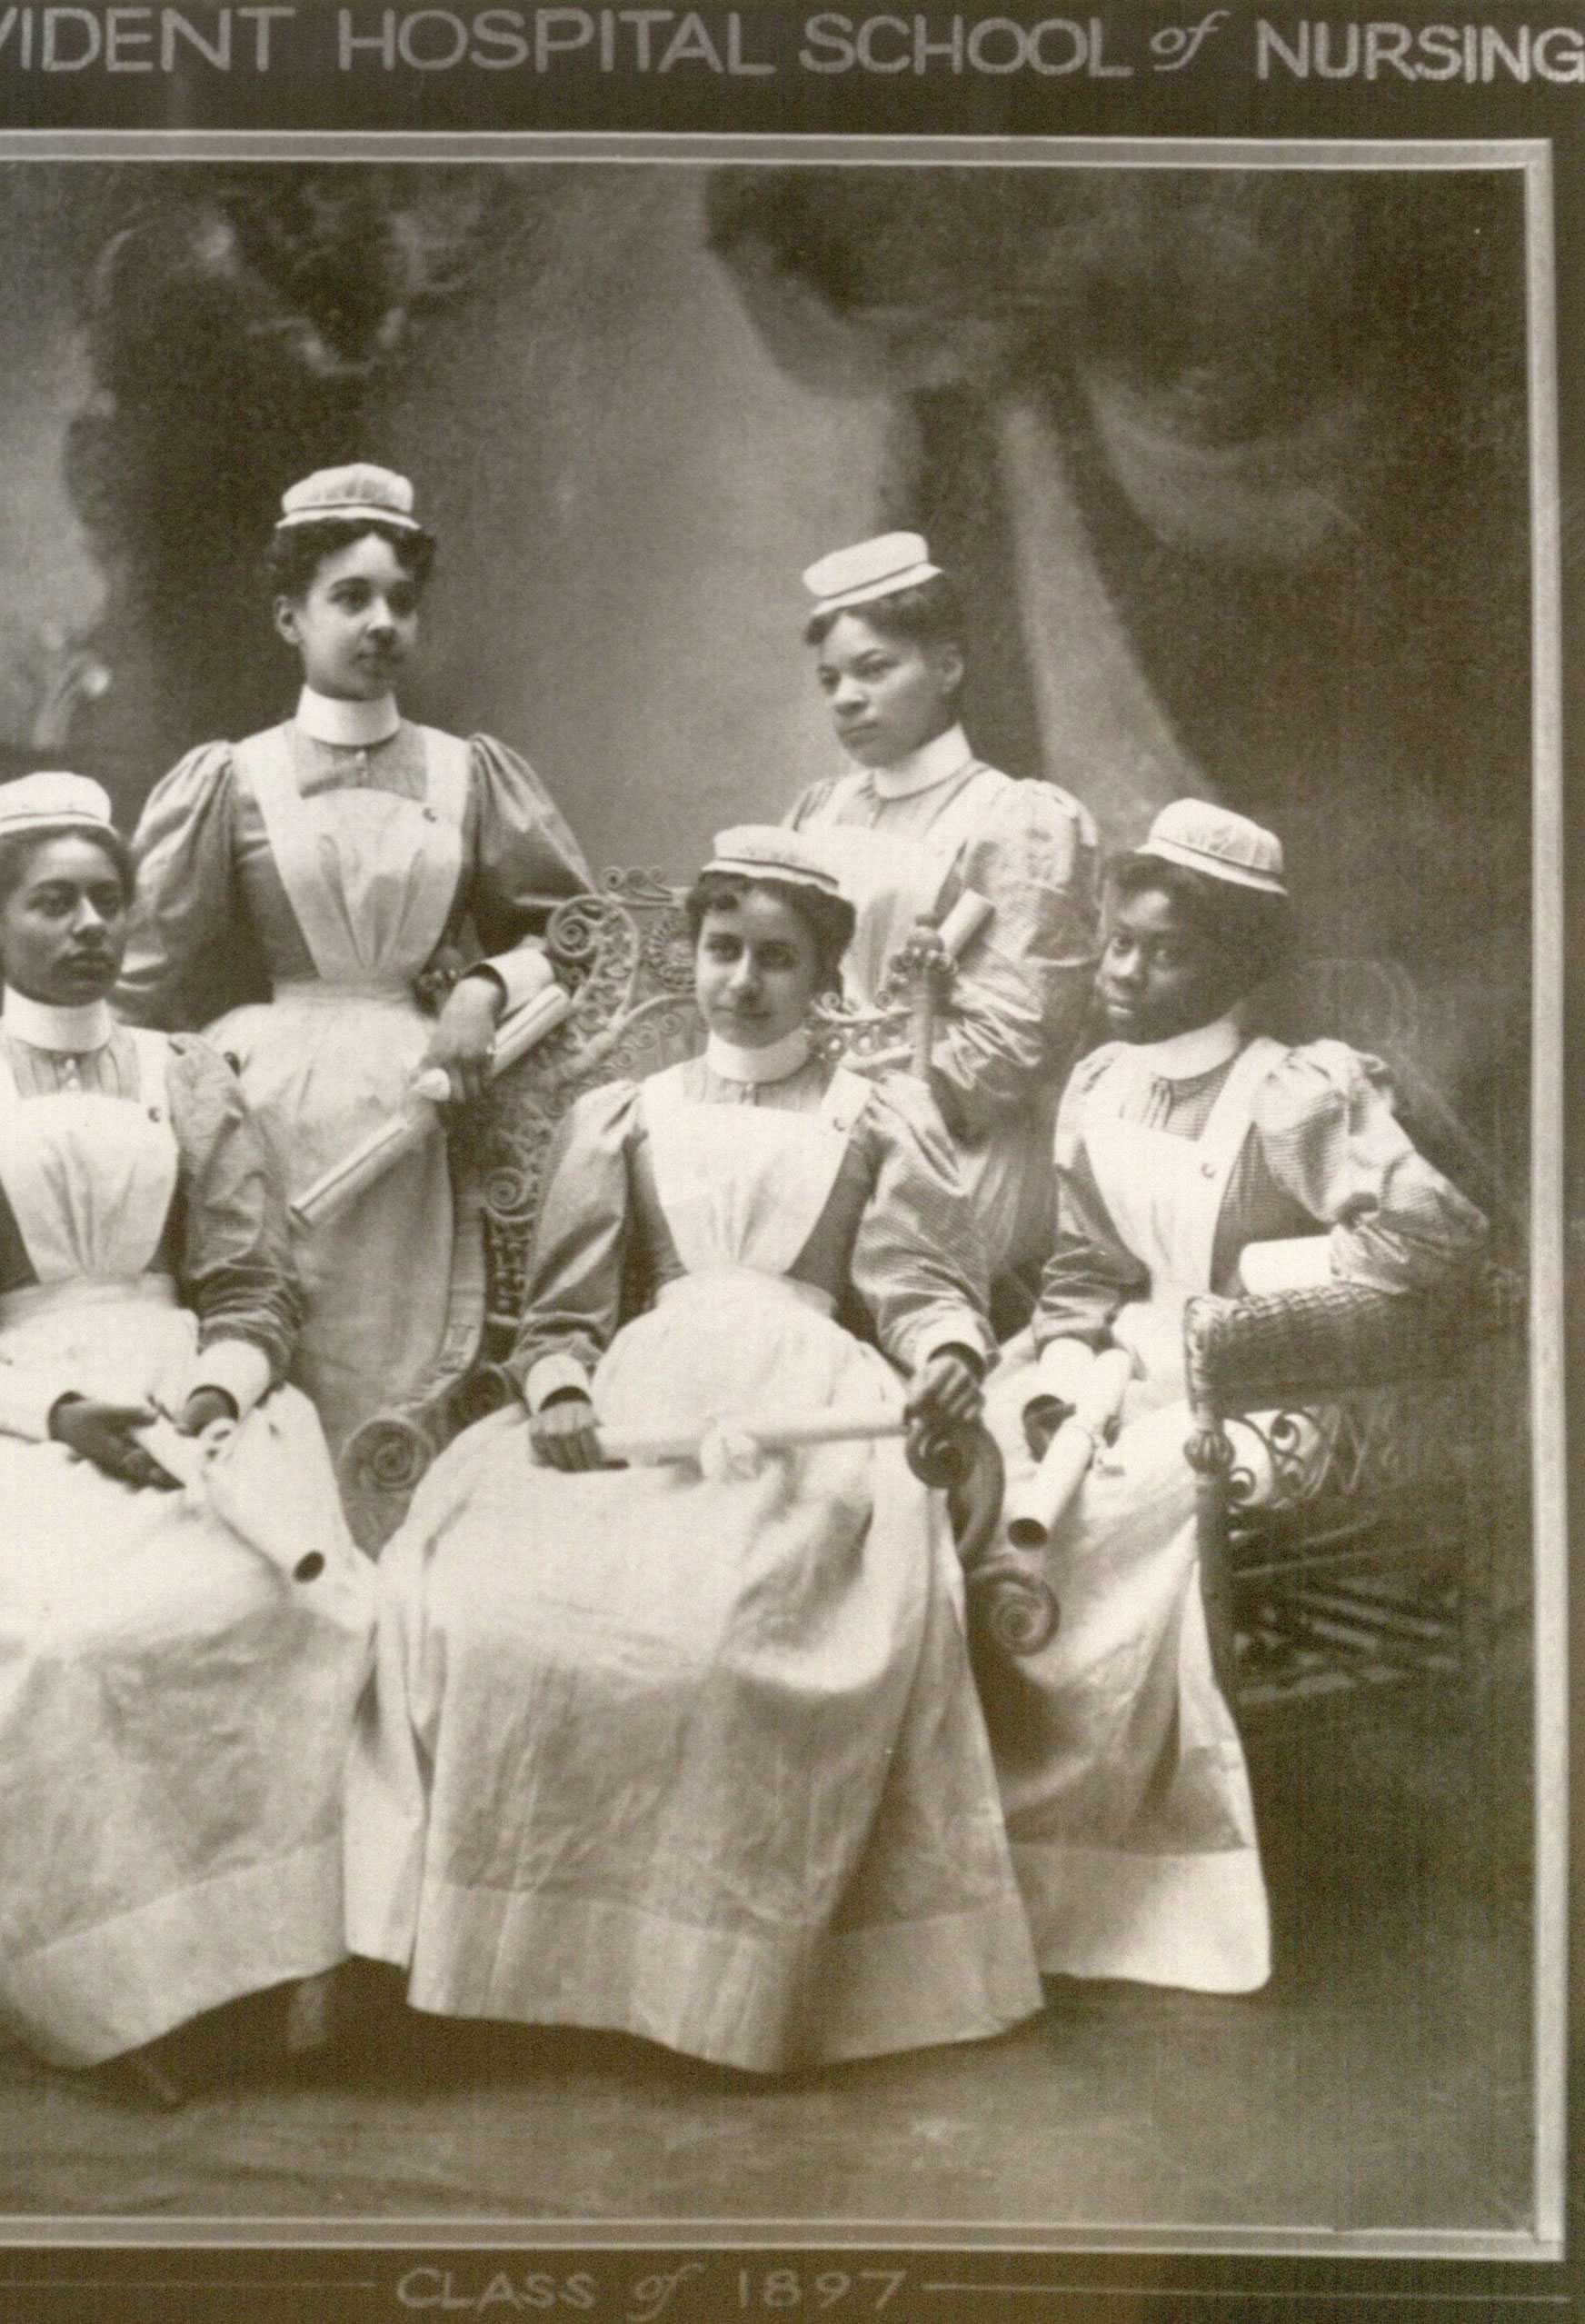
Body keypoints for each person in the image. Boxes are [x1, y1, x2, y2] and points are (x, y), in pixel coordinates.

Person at [343, 828, 1044, 2074]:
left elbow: (926, 1289)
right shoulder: (630, 1113)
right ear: (696, 955)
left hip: (814, 1410)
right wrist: (558, 1389)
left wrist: (946, 1355)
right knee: (492, 1613)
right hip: (647, 1405)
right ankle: (539, 1968)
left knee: (734, 1643)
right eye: (724, 950)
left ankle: (716, 1977)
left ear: (825, 975)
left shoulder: (874, 1118)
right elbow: (562, 1318)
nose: (743, 982)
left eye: (778, 959)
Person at [0, 774, 380, 2086]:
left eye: (105, 901)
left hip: (193, 1398)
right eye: (49, 901)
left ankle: (253, 1977)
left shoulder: (185, 1074)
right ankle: (99, 1989)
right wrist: (61, 1412)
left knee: (286, 1615)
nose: (84, 927)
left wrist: (215, 1395)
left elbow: (250, 1287)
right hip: (14, 1416)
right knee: (68, 1641)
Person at [972, 800, 1490, 1994]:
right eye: (1118, 941)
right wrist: (1056, 1368)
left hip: (1269, 1396)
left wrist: (1271, 1287)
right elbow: (1085, 1270)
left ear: (1243, 964)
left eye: (1166, 950)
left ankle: (1116, 1869)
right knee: (976, 1472)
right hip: (1113, 1369)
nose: (1125, 970)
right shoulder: (1098, 1081)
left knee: (1129, 1506)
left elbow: (1444, 1244)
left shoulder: (1295, 1095)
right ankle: (982, 1852)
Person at [117, 463, 593, 1480]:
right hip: (270, 1104)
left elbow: (578, 938)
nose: (381, 622)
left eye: (401, 601)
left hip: (432, 1106)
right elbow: (136, 973)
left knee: (410, 1383)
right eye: (350, 598)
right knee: (274, 1354)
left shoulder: (472, 773)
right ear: (290, 617)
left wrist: (485, 986)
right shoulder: (234, 777)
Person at [785, 532, 1101, 1278]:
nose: (848, 698)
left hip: (952, 1144)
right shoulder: (816, 811)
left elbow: (1017, 1043)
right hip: (810, 1115)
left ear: (948, 666)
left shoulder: (1015, 819)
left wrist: (855, 1119)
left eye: (874, 669)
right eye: (830, 680)